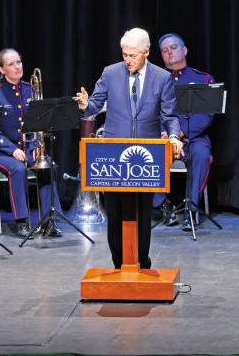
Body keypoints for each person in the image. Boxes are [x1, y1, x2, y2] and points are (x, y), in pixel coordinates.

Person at [76, 28, 183, 270]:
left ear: (146, 52)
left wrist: (175, 137)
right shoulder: (111, 73)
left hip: (146, 158)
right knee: (114, 213)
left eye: (133, 55)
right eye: (124, 54)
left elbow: (170, 115)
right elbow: (94, 105)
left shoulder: (162, 78)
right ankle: (119, 264)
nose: (127, 60)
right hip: (114, 156)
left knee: (142, 214)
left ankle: (141, 262)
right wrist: (85, 105)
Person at [0, 49, 63, 238]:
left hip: (26, 147)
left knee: (47, 165)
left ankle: (50, 221)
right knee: (18, 169)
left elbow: (36, 123)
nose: (17, 67)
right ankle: (22, 221)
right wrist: (12, 150)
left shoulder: (29, 89)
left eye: (19, 62)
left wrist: (35, 148)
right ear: (2, 70)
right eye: (11, 64)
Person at [153, 33, 216, 231]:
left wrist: (180, 134)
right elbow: (150, 113)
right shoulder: (156, 80)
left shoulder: (203, 78)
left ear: (184, 50)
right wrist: (164, 133)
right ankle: (163, 207)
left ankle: (191, 209)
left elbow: (206, 115)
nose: (169, 53)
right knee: (148, 154)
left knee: (201, 155)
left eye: (173, 48)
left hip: (193, 138)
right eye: (164, 50)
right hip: (164, 139)